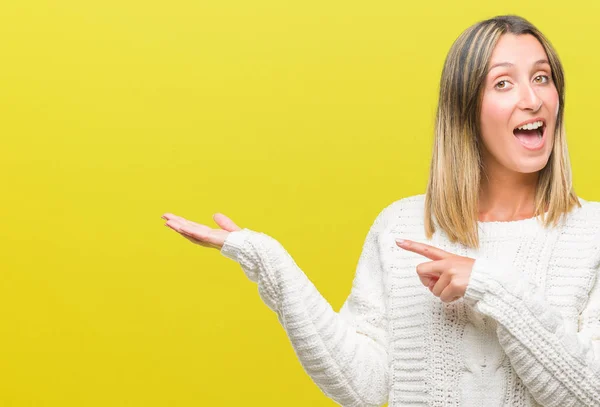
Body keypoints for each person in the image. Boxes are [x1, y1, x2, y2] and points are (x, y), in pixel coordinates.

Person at [161, 15, 600, 407]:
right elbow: (364, 388)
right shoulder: (403, 226)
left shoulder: (591, 234)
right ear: (465, 109)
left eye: (542, 78)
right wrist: (271, 264)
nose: (533, 99)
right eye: (503, 83)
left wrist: (489, 285)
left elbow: (589, 394)